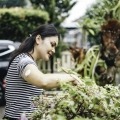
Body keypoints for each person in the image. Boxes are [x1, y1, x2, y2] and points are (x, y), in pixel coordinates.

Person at [4, 24, 81, 120]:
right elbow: (43, 81)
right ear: (38, 39)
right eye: (52, 44)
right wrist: (71, 77)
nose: (53, 50)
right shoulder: (23, 61)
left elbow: (29, 99)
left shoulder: (28, 62)